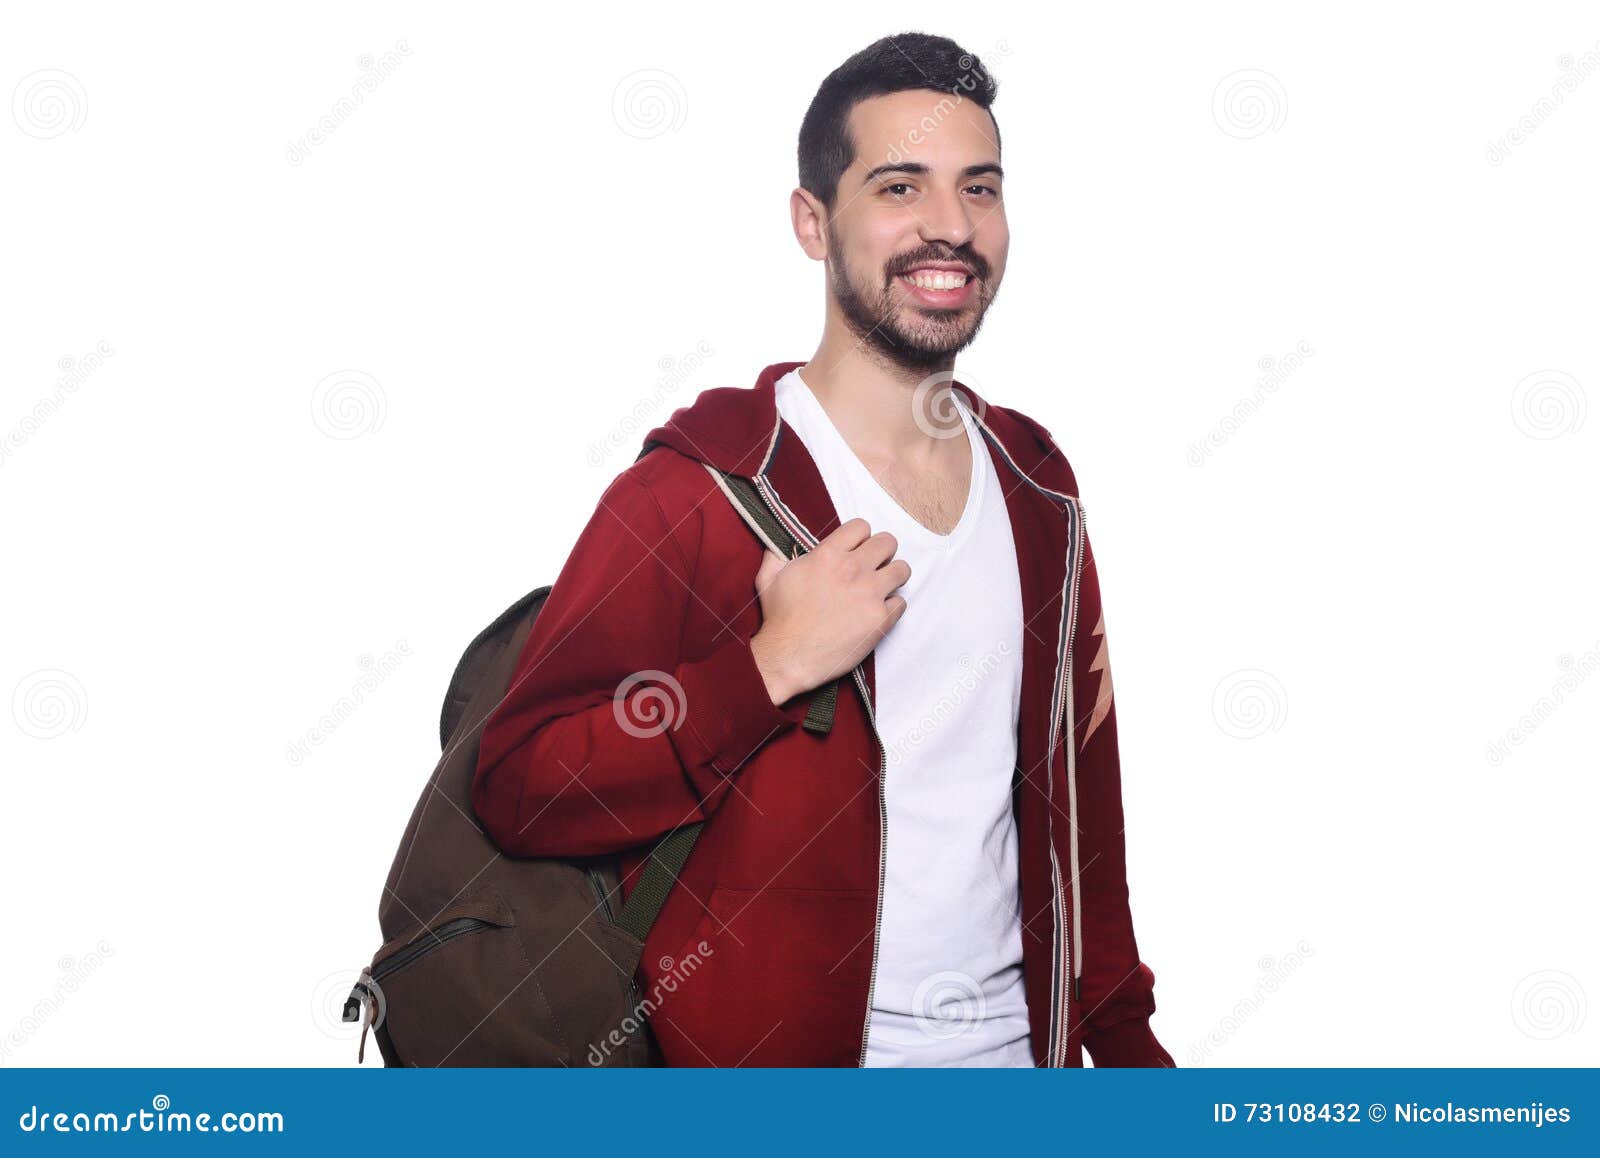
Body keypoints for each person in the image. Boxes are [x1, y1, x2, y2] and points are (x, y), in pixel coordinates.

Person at [472, 31, 1172, 1068]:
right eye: (900, 187)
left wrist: (1127, 1060)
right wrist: (767, 668)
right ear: (814, 223)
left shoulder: (1038, 491)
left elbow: (1084, 816)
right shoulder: (700, 490)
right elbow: (521, 786)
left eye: (979, 189)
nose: (949, 227)